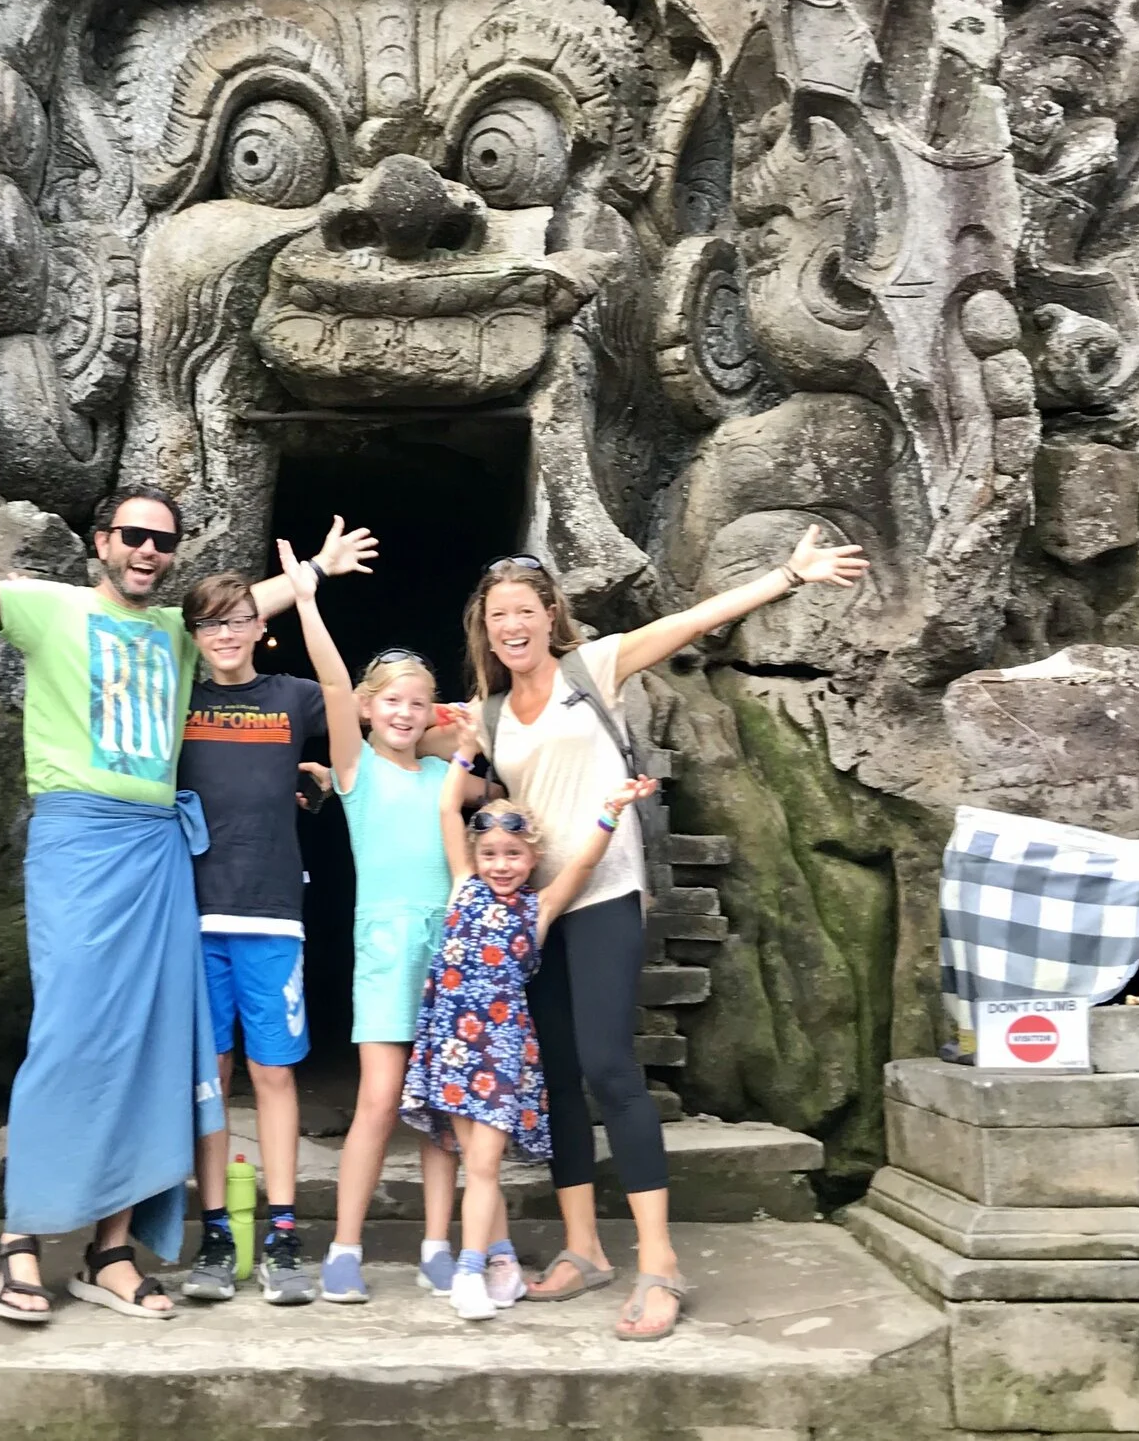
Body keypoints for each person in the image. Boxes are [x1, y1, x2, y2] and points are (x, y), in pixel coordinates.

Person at [0, 472, 375, 1326]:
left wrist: (313, 574)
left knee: (152, 1048)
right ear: (101, 541)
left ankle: (111, 1248)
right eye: (133, 536)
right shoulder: (54, 607)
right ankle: (20, 1240)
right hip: (79, 835)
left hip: (161, 848)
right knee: (69, 1035)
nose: (148, 551)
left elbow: (239, 610)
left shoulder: (181, 633)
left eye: (162, 541)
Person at [466, 524, 868, 1341]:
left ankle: (660, 1263)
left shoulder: (596, 666)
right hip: (534, 912)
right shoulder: (490, 711)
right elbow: (401, 735)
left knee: (613, 1068)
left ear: (549, 614)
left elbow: (691, 621)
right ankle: (584, 1249)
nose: (511, 625)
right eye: (497, 615)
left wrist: (786, 575)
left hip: (606, 892)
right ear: (487, 627)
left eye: (523, 611)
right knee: (556, 1076)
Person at [284, 549, 488, 1305]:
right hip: (385, 945)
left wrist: (467, 726)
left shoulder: (446, 779)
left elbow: (508, 784)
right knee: (380, 1096)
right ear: (370, 708)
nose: (403, 714)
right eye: (390, 702)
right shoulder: (355, 771)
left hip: (451, 945)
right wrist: (307, 600)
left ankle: (439, 1243)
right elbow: (333, 684)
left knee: (442, 1103)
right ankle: (344, 1246)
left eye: (418, 703)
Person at [399, 737, 658, 1322]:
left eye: (513, 854)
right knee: (472, 1159)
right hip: (450, 1045)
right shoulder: (463, 885)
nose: (500, 865)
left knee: (485, 1164)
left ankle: (470, 1272)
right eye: (489, 852)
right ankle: (503, 1261)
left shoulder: (536, 910)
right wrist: (466, 752)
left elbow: (587, 863)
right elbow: (447, 809)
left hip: (496, 1050)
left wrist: (610, 812)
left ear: (532, 857)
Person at [172, 552, 346, 1308]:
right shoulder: (176, 695)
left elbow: (345, 699)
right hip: (191, 912)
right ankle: (215, 1232)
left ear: (259, 625)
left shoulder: (291, 697)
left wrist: (307, 596)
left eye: (242, 618)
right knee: (212, 1080)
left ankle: (282, 1233)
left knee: (275, 1073)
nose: (229, 633)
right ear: (195, 633)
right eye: (212, 622)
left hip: (273, 914)